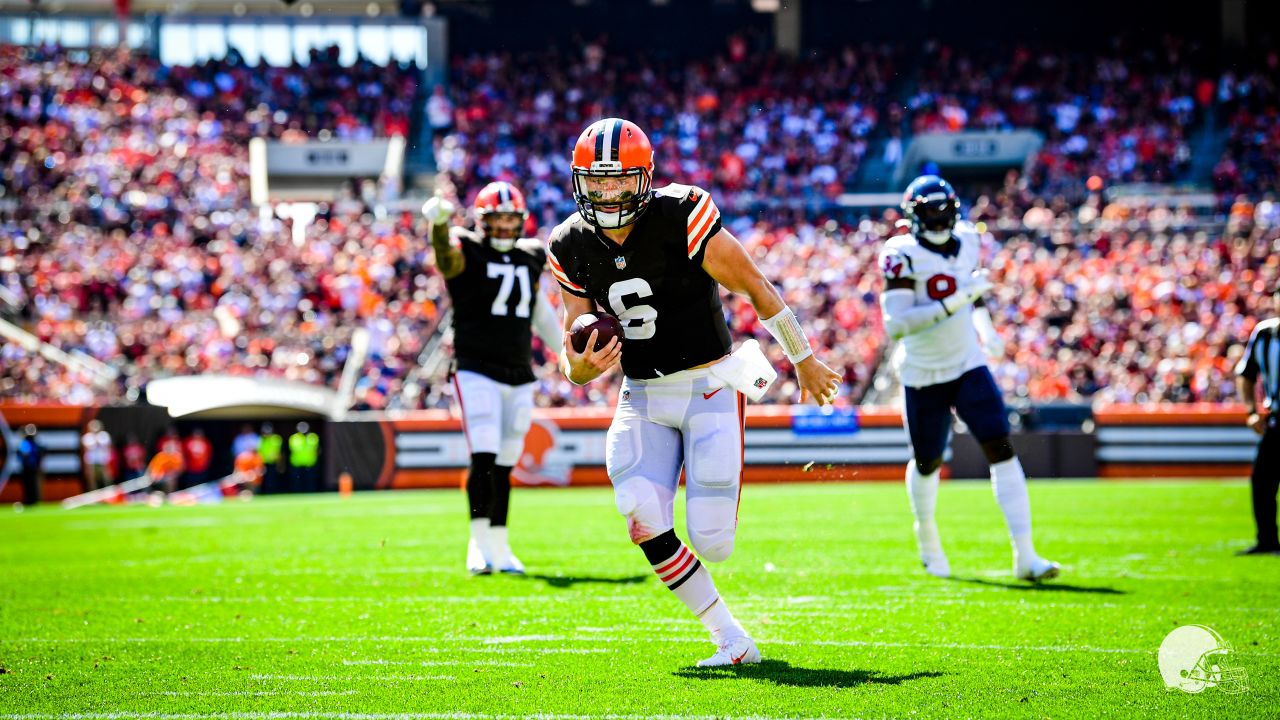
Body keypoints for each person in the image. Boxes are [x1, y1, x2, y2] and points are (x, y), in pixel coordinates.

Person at [547, 118, 841, 667]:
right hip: (642, 394)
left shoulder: (682, 213)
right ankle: (730, 637)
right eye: (596, 181)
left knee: (712, 542)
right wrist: (580, 369)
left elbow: (755, 285)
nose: (607, 193)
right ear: (578, 181)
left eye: (619, 180)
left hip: (710, 386)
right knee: (639, 513)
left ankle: (720, 504)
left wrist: (802, 357)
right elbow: (573, 351)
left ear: (645, 176)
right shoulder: (568, 243)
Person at [878, 175, 1060, 582]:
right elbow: (897, 324)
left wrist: (987, 329)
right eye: (931, 212)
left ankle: (1026, 555)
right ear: (914, 216)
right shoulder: (900, 252)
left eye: (945, 210)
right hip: (923, 371)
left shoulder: (969, 239)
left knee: (1001, 445)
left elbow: (973, 292)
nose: (940, 219)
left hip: (966, 363)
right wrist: (955, 303)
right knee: (928, 462)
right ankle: (926, 535)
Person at [422, 181, 563, 576]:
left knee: (504, 463)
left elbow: (540, 313)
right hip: (476, 367)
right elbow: (447, 261)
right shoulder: (467, 248)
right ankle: (478, 543)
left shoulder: (531, 255)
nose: (503, 228)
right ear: (482, 222)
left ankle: (500, 546)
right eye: (496, 220)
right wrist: (437, 227)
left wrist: (567, 355)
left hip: (519, 370)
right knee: (483, 454)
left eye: (509, 220)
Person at [1235, 285, 1280, 555]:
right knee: (1262, 481)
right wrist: (1251, 410)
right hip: (1276, 421)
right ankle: (1267, 540)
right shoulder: (1265, 334)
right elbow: (1245, 373)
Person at [80, 420, 113, 492]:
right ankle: (93, 493)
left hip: (103, 460)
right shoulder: (87, 437)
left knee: (106, 477)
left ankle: (108, 493)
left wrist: (108, 458)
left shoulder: (104, 435)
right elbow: (87, 449)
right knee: (92, 478)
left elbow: (107, 447)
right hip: (91, 461)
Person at [288, 422, 320, 493]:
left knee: (310, 481)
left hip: (309, 463)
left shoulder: (312, 437)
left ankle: (310, 493)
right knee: (297, 481)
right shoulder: (294, 438)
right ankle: (297, 493)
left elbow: (317, 449)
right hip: (297, 463)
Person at [17, 425, 43, 506]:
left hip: (29, 468)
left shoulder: (26, 443)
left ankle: (31, 500)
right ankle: (32, 500)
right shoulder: (32, 444)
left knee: (30, 485)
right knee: (31, 485)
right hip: (31, 468)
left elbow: (24, 454)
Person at [259, 423, 284, 494]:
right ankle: (265, 493)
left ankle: (273, 492)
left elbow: (280, 452)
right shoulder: (261, 440)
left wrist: (280, 464)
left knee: (273, 479)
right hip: (263, 463)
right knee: (264, 480)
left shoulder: (276, 439)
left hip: (274, 463)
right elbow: (259, 452)